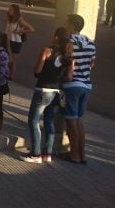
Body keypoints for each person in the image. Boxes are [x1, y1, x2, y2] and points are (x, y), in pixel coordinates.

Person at [23, 28, 74, 163]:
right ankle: (47, 153)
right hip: (56, 92)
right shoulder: (69, 56)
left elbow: (37, 70)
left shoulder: (47, 51)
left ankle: (36, 153)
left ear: (56, 38)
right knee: (49, 121)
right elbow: (69, 77)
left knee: (33, 121)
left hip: (42, 90)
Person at [61, 14, 96, 164]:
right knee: (79, 120)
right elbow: (92, 64)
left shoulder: (68, 43)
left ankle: (74, 155)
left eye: (66, 23)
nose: (64, 25)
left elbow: (66, 62)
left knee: (71, 121)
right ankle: (83, 154)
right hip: (86, 85)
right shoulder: (90, 42)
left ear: (72, 26)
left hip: (72, 84)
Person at [5, 4, 34, 77]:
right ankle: (8, 74)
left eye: (11, 9)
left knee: (12, 60)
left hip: (15, 41)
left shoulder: (19, 20)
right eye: (9, 9)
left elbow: (31, 29)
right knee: (8, 58)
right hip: (8, 39)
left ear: (15, 11)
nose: (9, 11)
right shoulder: (10, 18)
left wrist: (20, 31)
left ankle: (10, 75)